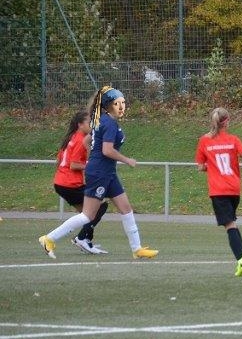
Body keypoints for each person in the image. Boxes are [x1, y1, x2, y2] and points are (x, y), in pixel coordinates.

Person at [38, 86, 158, 259]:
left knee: (126, 209)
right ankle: (49, 238)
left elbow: (87, 141)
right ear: (108, 105)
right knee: (88, 215)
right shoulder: (108, 123)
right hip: (100, 173)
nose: (122, 106)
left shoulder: (102, 120)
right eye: (117, 103)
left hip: (107, 172)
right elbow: (107, 150)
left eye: (123, 103)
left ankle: (137, 249)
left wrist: (93, 157)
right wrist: (127, 160)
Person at [196, 107, 242, 277]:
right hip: (234, 189)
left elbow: (200, 166)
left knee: (229, 224)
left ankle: (241, 260)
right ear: (227, 121)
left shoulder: (204, 141)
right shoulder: (233, 140)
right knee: (232, 223)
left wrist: (210, 166)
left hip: (218, 190)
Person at [52, 110, 109, 254]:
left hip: (61, 182)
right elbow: (74, 165)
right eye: (89, 122)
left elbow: (59, 160)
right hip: (70, 184)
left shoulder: (71, 137)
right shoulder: (79, 140)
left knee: (88, 215)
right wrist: (91, 166)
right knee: (100, 206)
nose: (92, 125)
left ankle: (85, 240)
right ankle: (81, 238)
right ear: (80, 124)